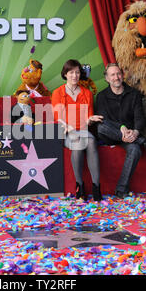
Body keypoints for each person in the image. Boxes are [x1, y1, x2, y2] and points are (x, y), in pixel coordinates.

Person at [96, 63, 146, 199]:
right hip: (111, 134)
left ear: (122, 75)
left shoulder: (134, 94)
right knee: (101, 127)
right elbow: (102, 119)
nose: (116, 77)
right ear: (107, 78)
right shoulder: (101, 96)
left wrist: (135, 133)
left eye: (118, 74)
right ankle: (143, 141)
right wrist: (121, 128)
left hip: (130, 136)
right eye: (112, 75)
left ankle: (121, 189)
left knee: (135, 150)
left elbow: (140, 117)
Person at [52, 59, 103, 201]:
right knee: (77, 141)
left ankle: (96, 186)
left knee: (91, 142)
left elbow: (88, 118)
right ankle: (79, 185)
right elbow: (57, 117)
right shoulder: (58, 92)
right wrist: (68, 127)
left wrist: (91, 119)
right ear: (65, 74)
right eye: (71, 72)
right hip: (67, 132)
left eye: (77, 72)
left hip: (84, 130)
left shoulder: (87, 93)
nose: (74, 75)